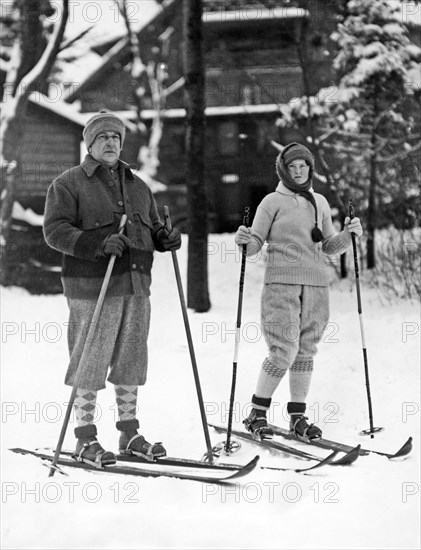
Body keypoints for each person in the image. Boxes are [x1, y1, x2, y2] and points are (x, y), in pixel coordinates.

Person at [43, 110, 181, 466]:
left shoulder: (139, 186)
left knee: (131, 360)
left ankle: (129, 434)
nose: (110, 143)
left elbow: (150, 229)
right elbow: (54, 230)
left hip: (135, 285)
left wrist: (163, 238)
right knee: (90, 360)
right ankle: (85, 439)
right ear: (90, 144)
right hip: (92, 287)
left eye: (116, 138)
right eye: (103, 138)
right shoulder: (68, 183)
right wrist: (95, 244)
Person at [235, 142, 362, 440]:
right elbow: (254, 244)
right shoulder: (271, 202)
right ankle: (257, 412)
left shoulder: (320, 201)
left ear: (310, 167)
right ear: (283, 169)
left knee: (306, 350)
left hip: (317, 284)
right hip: (281, 283)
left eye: (302, 165)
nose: (298, 171)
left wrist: (348, 235)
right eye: (291, 167)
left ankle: (297, 416)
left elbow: (329, 246)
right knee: (284, 349)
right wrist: (243, 241)